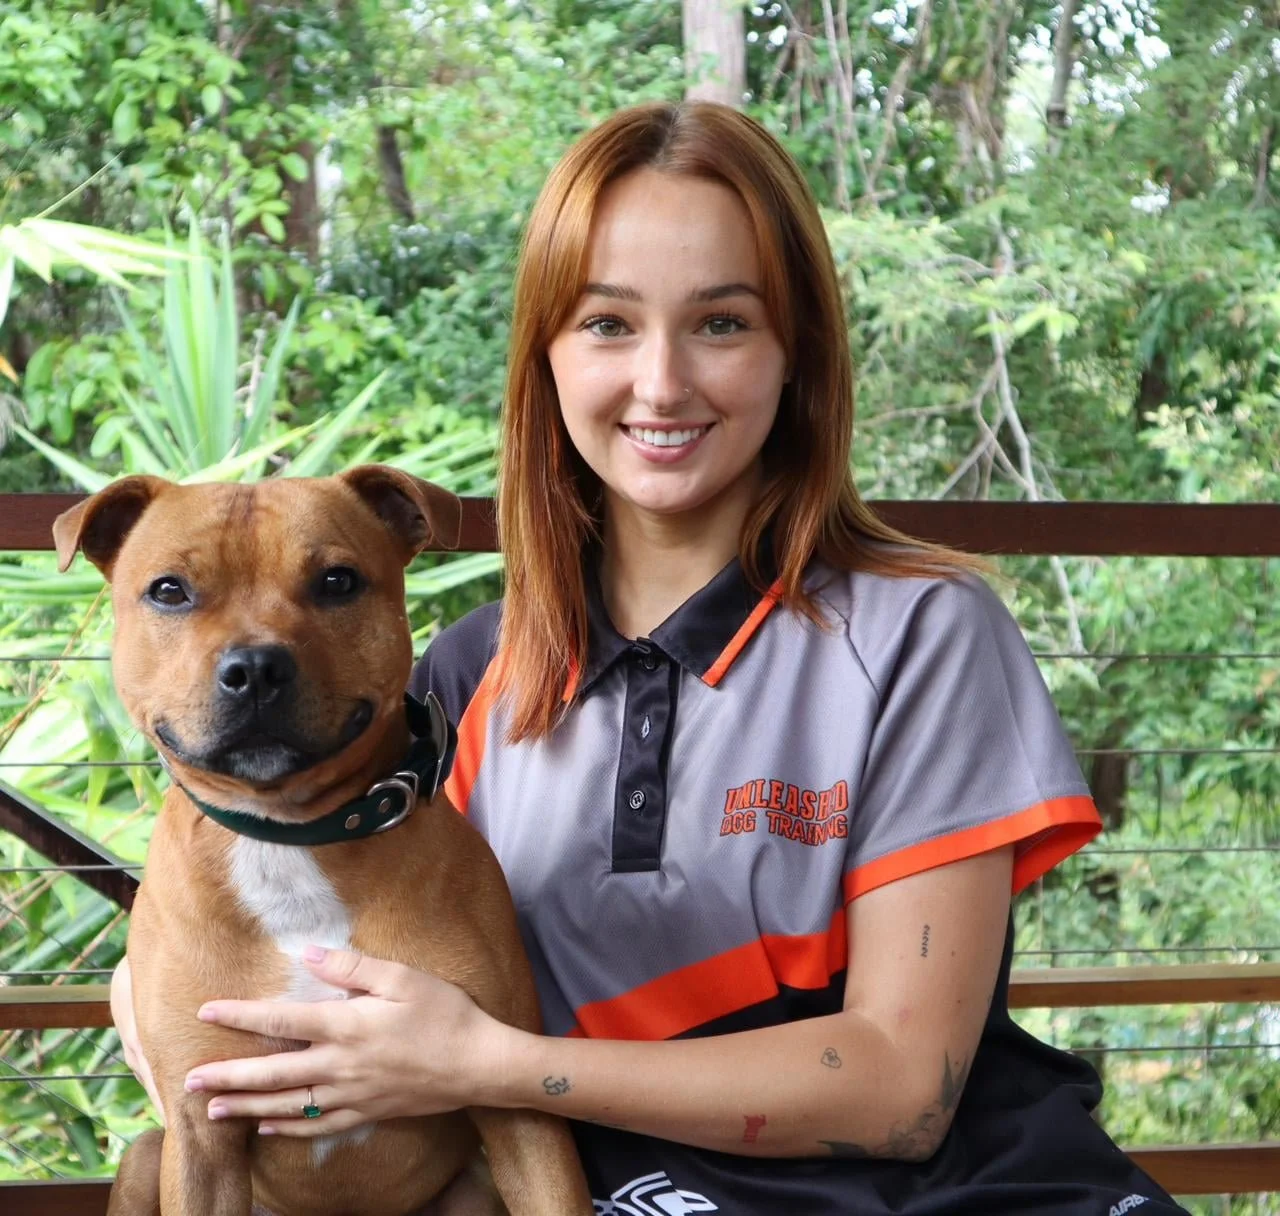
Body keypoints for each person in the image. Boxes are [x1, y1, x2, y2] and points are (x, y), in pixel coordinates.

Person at [112, 101, 1188, 1215]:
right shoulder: (458, 680)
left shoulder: (923, 631)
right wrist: (167, 1002)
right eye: (607, 324)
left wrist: (488, 1065)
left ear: (795, 355)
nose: (661, 383)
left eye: (721, 323)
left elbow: (904, 1091)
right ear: (547, 357)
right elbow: (271, 901)